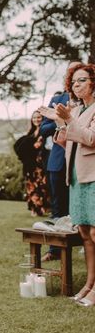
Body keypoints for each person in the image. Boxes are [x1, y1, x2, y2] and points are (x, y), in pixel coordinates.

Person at [45, 63, 95, 306]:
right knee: (85, 232)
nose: (76, 85)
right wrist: (60, 122)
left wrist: (68, 121)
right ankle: (88, 284)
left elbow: (91, 139)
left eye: (82, 80)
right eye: (74, 82)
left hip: (93, 177)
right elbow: (68, 142)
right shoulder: (76, 110)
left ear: (93, 83)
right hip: (76, 177)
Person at [38, 63, 79, 260]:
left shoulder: (88, 101)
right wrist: (57, 120)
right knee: (58, 206)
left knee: (78, 204)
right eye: (71, 74)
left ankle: (82, 243)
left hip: (81, 159)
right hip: (58, 160)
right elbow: (42, 130)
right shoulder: (57, 99)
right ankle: (55, 251)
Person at [14, 111, 51, 216]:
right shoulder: (31, 133)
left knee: (42, 186)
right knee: (32, 186)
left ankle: (44, 208)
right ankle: (35, 208)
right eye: (34, 118)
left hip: (41, 164)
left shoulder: (45, 132)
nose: (36, 120)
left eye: (39, 117)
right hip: (30, 165)